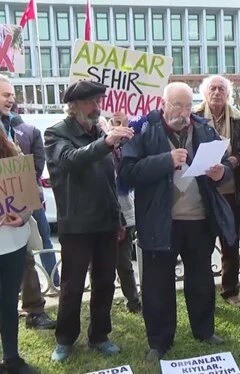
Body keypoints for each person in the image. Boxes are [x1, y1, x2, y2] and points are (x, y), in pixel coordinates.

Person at [119, 82, 232, 361]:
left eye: (186, 105)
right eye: (176, 105)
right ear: (163, 103)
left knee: (202, 279)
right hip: (160, 222)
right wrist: (165, 160)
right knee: (157, 285)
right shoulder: (144, 128)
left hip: (198, 220)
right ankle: (159, 342)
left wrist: (221, 173)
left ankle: (204, 331)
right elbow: (128, 173)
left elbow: (226, 168)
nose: (182, 112)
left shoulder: (204, 128)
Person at [45, 81, 135, 361]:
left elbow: (111, 181)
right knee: (72, 286)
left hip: (107, 221)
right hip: (77, 224)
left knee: (105, 281)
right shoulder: (56, 133)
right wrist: (106, 142)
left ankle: (99, 335)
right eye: (90, 103)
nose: (97, 108)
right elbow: (70, 160)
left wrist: (119, 218)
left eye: (98, 102)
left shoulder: (100, 131)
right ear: (73, 107)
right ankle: (65, 339)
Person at [0, 75, 57, 330]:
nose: (11, 99)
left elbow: (29, 168)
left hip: (14, 209)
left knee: (26, 257)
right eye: (5, 95)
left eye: (12, 95)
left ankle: (34, 310)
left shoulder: (18, 128)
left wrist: (22, 209)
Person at [193, 75, 240, 308]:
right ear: (205, 93)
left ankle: (230, 290)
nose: (217, 92)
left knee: (231, 242)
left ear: (228, 94)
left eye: (221, 88)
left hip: (232, 191)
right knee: (202, 245)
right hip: (202, 192)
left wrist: (235, 160)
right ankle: (204, 293)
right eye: (212, 88)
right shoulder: (194, 117)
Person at [0, 120, 40, 374]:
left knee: (7, 302)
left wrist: (22, 217)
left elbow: (28, 197)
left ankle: (12, 358)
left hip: (12, 243)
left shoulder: (12, 154)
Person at [99, 116, 141, 314]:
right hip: (100, 217)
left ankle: (133, 300)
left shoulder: (121, 151)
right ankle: (101, 306)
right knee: (99, 267)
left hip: (125, 213)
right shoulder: (95, 155)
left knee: (124, 263)